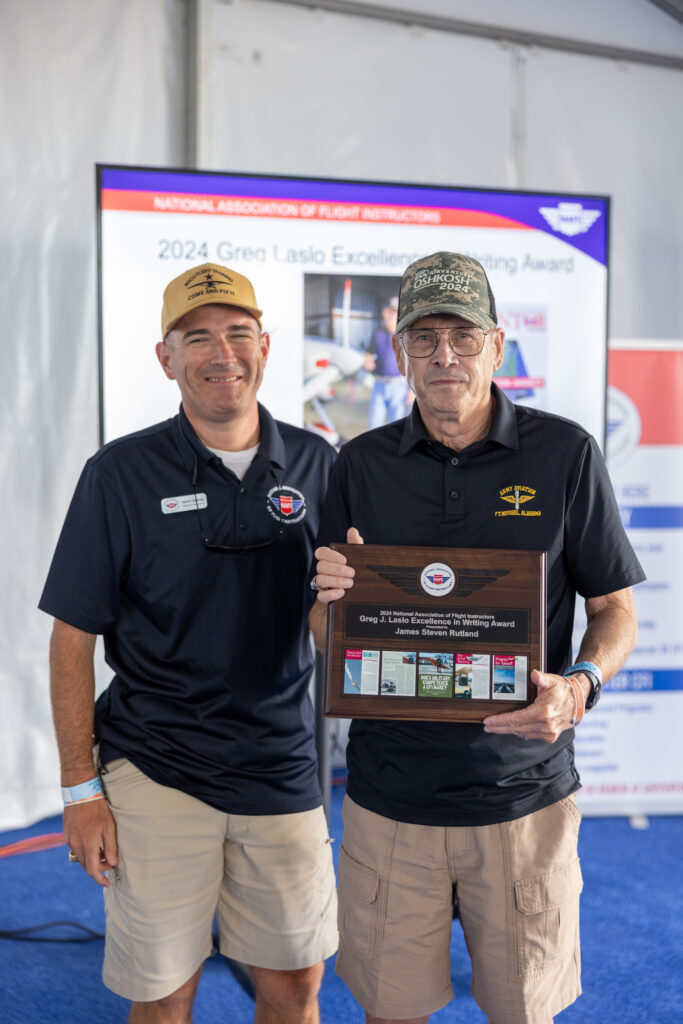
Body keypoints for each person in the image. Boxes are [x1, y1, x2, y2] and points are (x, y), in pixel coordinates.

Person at [309, 251, 644, 1024]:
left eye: (461, 335)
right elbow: (325, 629)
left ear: (496, 346)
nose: (442, 355)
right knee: (390, 1010)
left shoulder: (564, 456)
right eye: (422, 337)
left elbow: (615, 610)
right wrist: (329, 602)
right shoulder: (356, 465)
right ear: (398, 353)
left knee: (523, 1012)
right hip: (391, 802)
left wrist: (579, 685)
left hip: (523, 799)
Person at [40, 262, 338, 1024]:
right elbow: (72, 636)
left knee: (295, 985)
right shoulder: (120, 473)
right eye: (196, 336)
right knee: (165, 991)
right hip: (157, 767)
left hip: (282, 771)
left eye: (238, 334)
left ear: (266, 347)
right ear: (164, 357)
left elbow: (329, 629)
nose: (221, 353)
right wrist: (80, 791)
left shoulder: (321, 466)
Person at [365, 297, 409, 428]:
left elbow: (413, 363)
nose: (392, 315)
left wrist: (412, 391)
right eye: (390, 312)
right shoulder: (377, 333)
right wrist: (367, 361)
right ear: (386, 313)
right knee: (374, 425)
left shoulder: (406, 335)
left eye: (395, 312)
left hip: (399, 386)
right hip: (379, 385)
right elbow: (368, 352)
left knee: (397, 427)